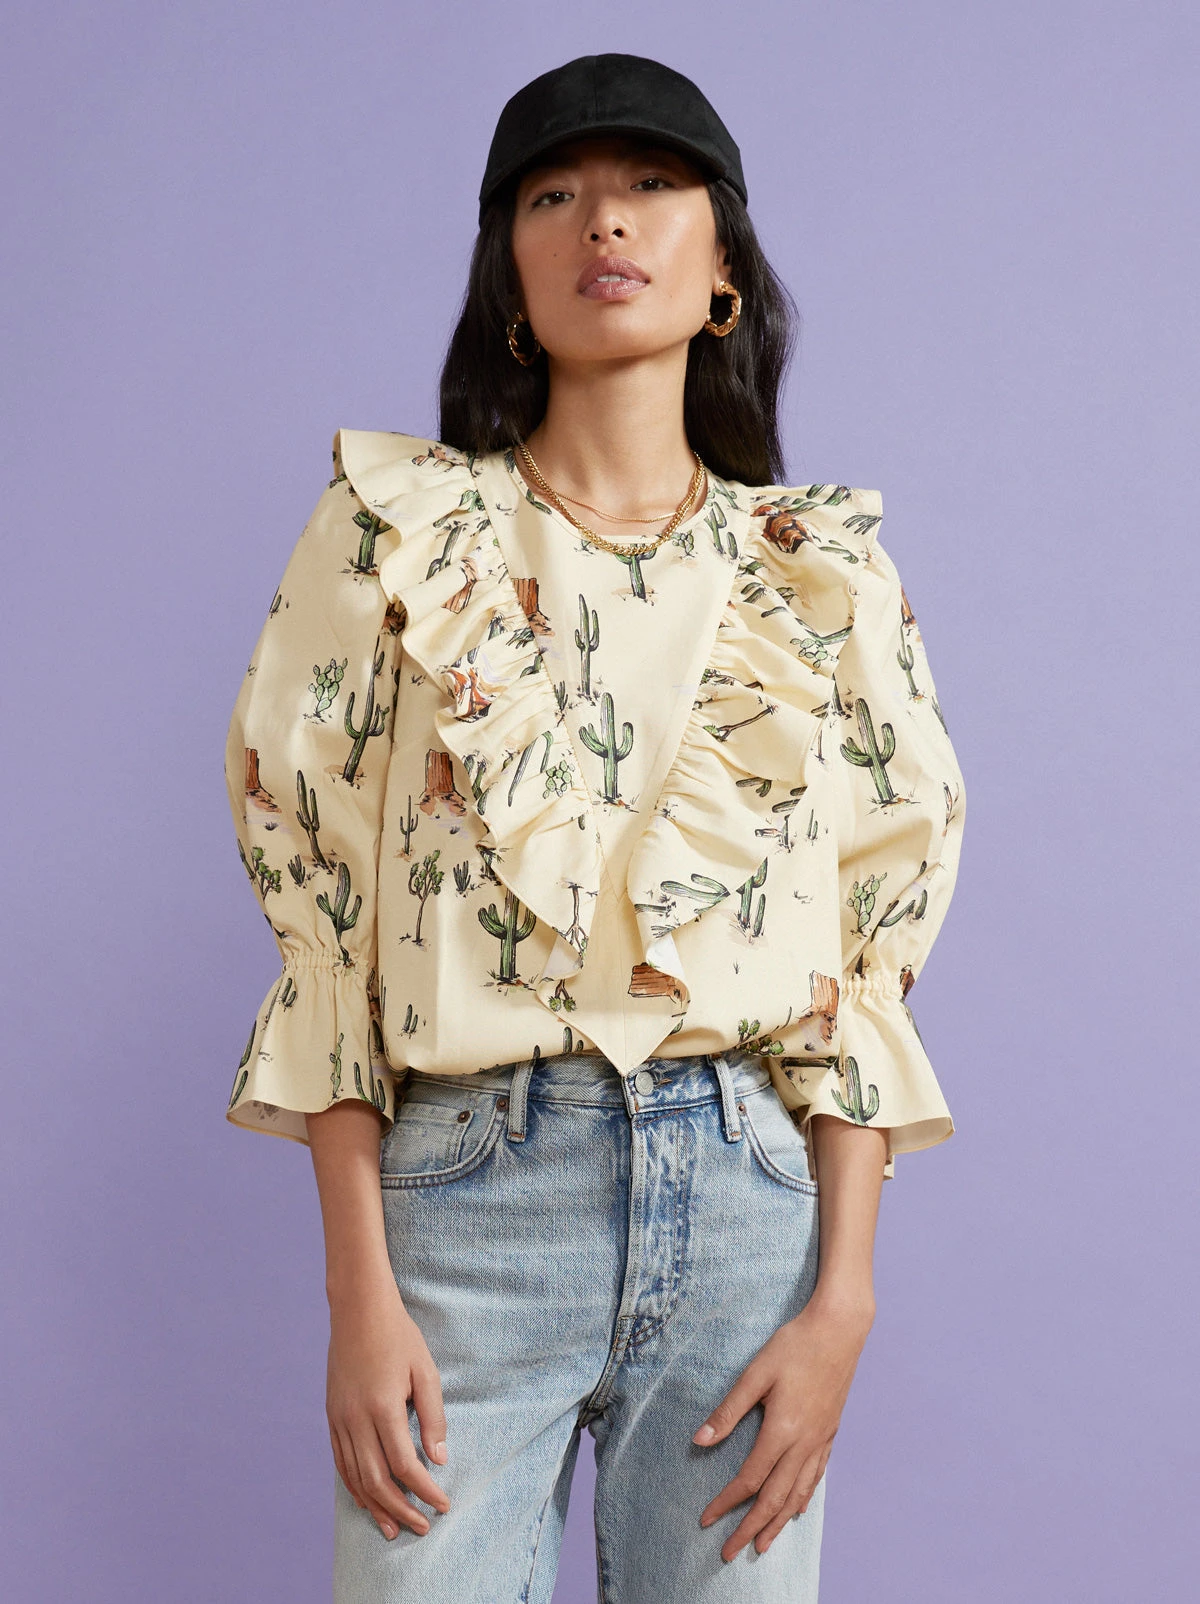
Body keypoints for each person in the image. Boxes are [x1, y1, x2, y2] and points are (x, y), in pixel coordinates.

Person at [223, 52, 967, 1604]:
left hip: (750, 1210)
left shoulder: (821, 573)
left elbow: (863, 960)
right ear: (511, 275)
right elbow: (328, 926)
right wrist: (359, 1294)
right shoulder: (395, 537)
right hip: (466, 1202)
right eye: (552, 196)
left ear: (725, 272)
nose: (603, 223)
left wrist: (843, 1303)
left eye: (649, 187)